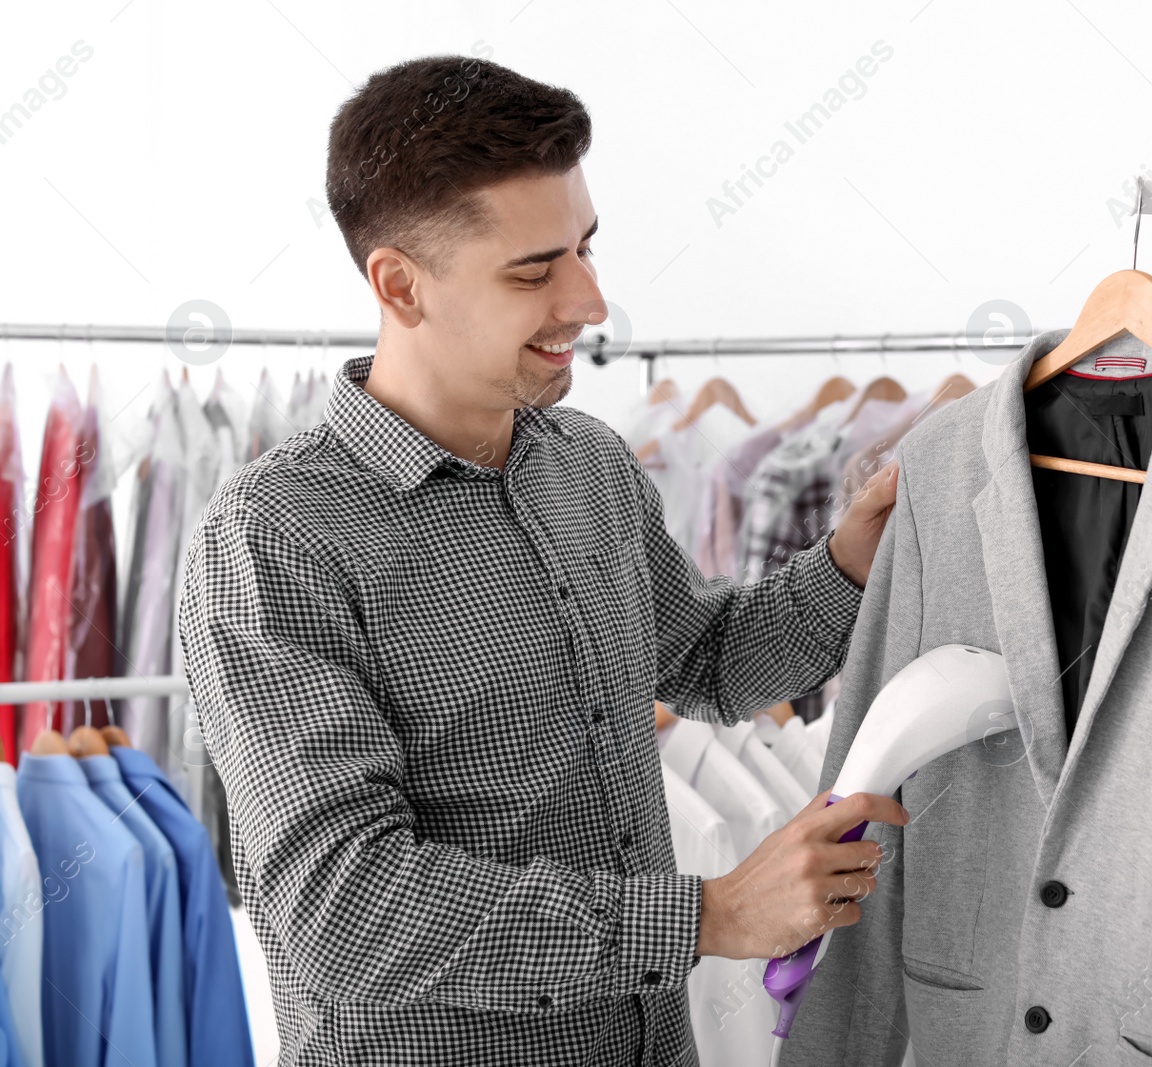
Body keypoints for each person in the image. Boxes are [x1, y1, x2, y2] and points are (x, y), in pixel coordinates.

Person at [178, 53, 907, 1067]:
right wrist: (703, 917)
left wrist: (849, 558)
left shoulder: (591, 464)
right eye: (535, 269)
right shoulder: (274, 536)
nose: (592, 299)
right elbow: (343, 901)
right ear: (400, 284)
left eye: (585, 248)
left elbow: (702, 661)